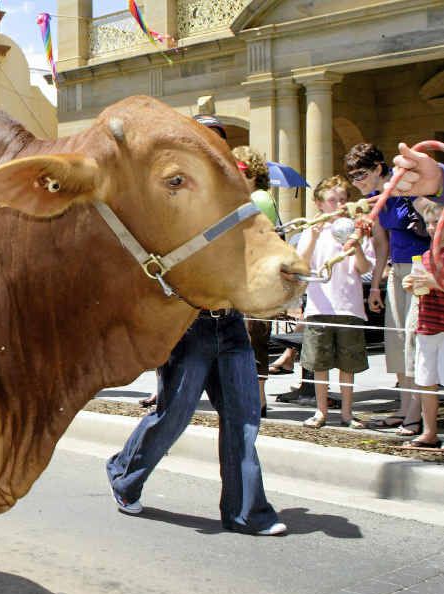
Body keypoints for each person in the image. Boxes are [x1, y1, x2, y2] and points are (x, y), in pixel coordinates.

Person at [106, 114, 287, 537]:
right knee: (173, 416)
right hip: (189, 325)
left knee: (243, 420)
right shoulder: (170, 202)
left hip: (231, 324)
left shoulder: (241, 206)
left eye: (219, 143)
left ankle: (247, 513)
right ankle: (124, 473)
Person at [348, 143, 428, 434]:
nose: (356, 181)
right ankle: (405, 408)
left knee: (414, 340)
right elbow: (381, 244)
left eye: (361, 174)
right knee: (396, 341)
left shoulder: (406, 184)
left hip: (422, 269)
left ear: (378, 168)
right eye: (352, 177)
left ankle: (416, 414)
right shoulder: (375, 200)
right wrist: (374, 287)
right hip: (397, 270)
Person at [295, 176, 374, 428]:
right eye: (332, 200)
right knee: (320, 363)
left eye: (342, 199)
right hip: (319, 307)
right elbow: (301, 264)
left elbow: (364, 268)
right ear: (319, 203)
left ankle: (347, 413)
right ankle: (321, 411)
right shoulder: (311, 230)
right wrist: (313, 237)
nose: (338, 204)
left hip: (349, 306)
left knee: (347, 365)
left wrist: (356, 245)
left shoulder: (356, 229)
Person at [232, 145, 279, 415]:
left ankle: (258, 399)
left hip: (258, 278)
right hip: (247, 277)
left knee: (255, 338)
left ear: (253, 172)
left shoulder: (259, 198)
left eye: (240, 169)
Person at [400, 198, 443, 449]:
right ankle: (429, 432)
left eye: (437, 222)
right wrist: (411, 285)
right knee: (426, 381)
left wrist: (432, 281)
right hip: (427, 325)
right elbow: (421, 288)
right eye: (428, 223)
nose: (432, 227)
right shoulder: (425, 256)